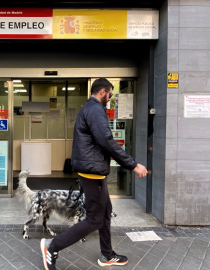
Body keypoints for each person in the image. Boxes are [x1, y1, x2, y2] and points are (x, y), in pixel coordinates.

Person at [40, 78, 148, 269]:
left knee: (105, 212)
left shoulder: (88, 108)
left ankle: (107, 254)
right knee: (95, 219)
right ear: (103, 92)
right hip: (93, 173)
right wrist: (133, 165)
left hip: (93, 171)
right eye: (110, 94)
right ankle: (52, 246)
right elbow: (107, 141)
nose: (110, 98)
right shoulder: (96, 110)